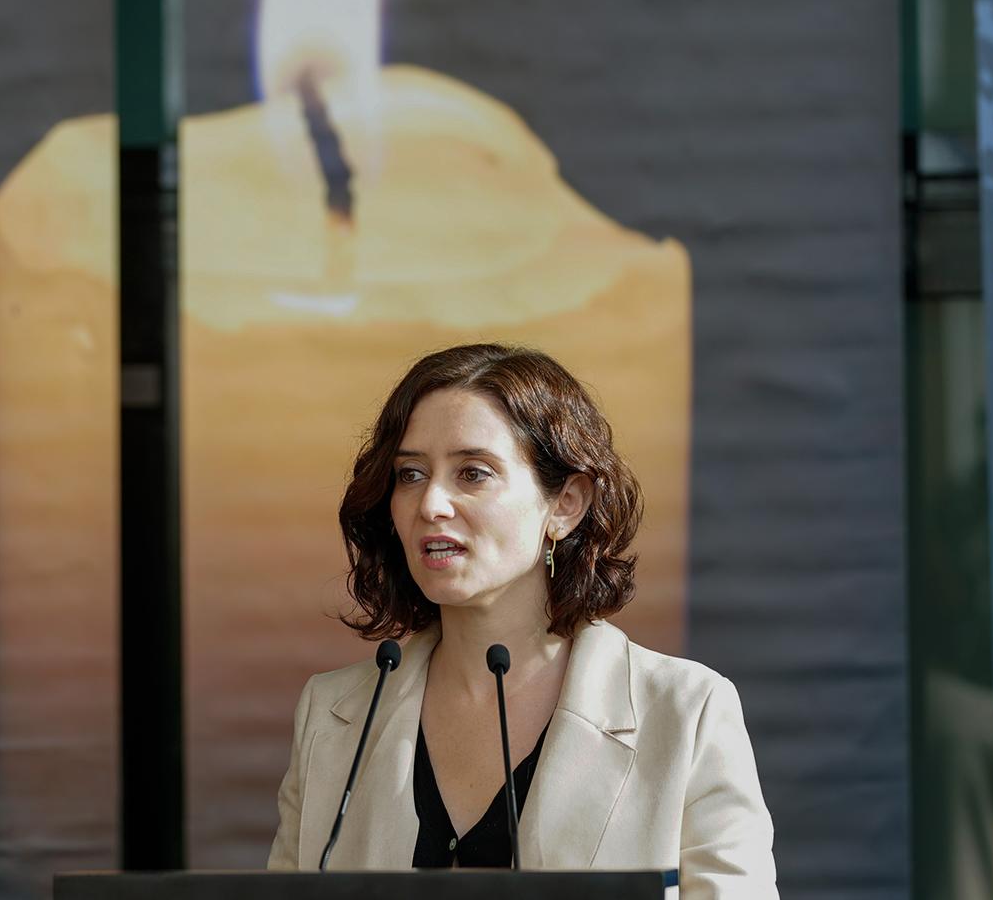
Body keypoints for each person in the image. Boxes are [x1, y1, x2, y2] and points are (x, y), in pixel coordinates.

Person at [269, 343, 776, 896]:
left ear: (566, 504)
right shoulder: (331, 715)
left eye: (473, 473)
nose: (431, 504)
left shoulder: (686, 713)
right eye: (410, 474)